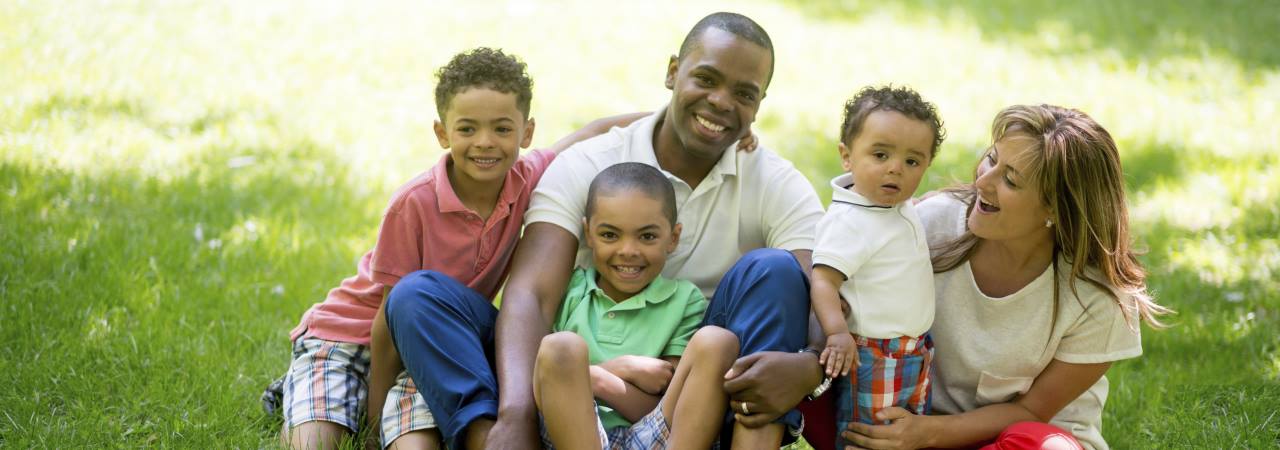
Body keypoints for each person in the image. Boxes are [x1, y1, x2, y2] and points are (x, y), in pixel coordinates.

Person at [384, 11, 829, 450]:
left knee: (775, 271)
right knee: (419, 297)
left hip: (694, 390)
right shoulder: (592, 161)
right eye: (706, 79)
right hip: (567, 381)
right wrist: (516, 411)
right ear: (673, 72)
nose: (720, 102)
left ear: (759, 103)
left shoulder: (773, 180)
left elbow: (823, 287)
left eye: (744, 93)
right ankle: (499, 441)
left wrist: (809, 366)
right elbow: (532, 294)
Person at [270, 47, 646, 450]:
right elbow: (387, 319)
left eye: (502, 129)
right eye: (467, 129)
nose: (485, 143)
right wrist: (376, 420)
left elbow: (591, 133)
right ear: (442, 133)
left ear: (527, 132)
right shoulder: (414, 203)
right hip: (349, 335)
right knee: (315, 443)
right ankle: (316, 392)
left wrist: (665, 116)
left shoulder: (530, 176)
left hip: (436, 339)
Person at [837, 104, 1170, 450]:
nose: (982, 181)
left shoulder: (1098, 297)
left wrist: (924, 434)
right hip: (910, 419)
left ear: (1056, 207)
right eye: (992, 159)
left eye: (1010, 179)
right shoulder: (933, 225)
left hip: (1011, 438)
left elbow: (1031, 411)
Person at [534, 162, 736, 449]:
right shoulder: (571, 289)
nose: (628, 251)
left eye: (647, 236)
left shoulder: (684, 300)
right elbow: (545, 386)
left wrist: (593, 380)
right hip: (574, 436)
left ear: (673, 238)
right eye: (609, 235)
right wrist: (620, 369)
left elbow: (668, 407)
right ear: (588, 233)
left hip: (654, 434)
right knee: (560, 347)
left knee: (718, 341)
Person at [808, 86, 944, 445]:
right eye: (881, 154)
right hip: (873, 354)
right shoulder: (849, 221)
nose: (896, 169)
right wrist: (837, 333)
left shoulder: (896, 205)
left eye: (912, 162)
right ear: (847, 156)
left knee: (904, 433)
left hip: (913, 351)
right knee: (869, 437)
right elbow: (823, 281)